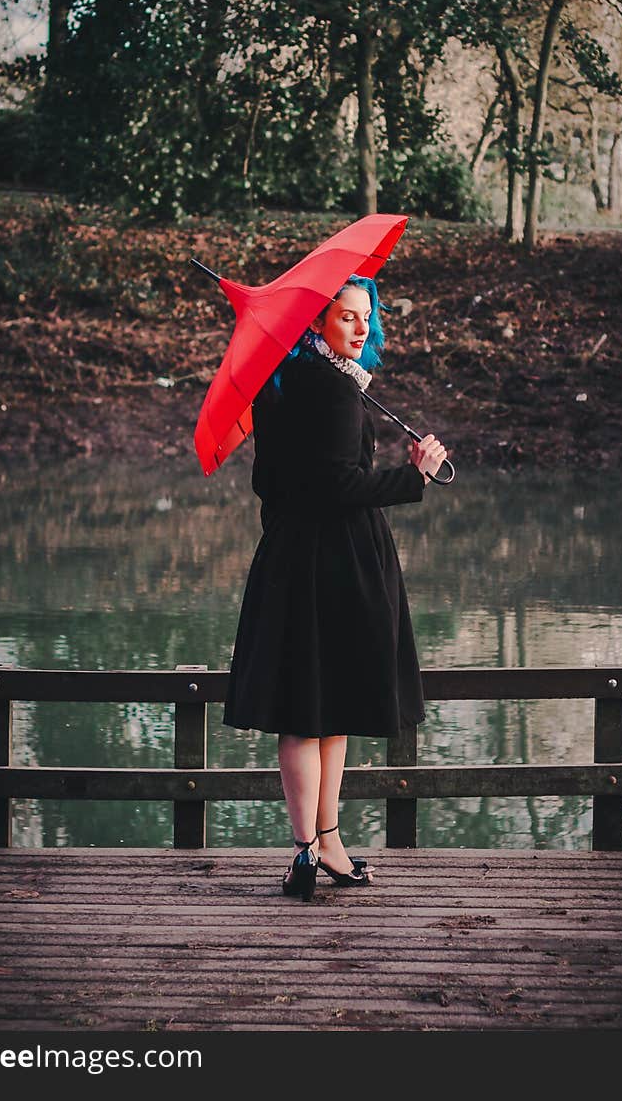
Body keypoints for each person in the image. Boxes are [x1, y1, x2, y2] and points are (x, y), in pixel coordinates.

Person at [223, 274, 448, 902]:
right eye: (346, 317)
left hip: (293, 557)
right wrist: (412, 476)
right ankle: (314, 847)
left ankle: (320, 846)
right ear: (316, 321)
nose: (360, 328)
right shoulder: (335, 392)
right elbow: (341, 489)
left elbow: (269, 483)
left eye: (364, 318)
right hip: (337, 561)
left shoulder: (279, 384)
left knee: (314, 706)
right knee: (321, 708)